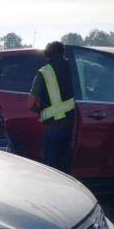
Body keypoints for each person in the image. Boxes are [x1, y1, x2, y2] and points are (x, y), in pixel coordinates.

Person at [28, 41, 76, 173]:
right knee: (66, 163)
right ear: (63, 52)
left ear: (46, 54)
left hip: (55, 125)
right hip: (74, 121)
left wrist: (38, 110)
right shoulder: (75, 66)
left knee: (51, 166)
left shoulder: (44, 72)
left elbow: (30, 103)